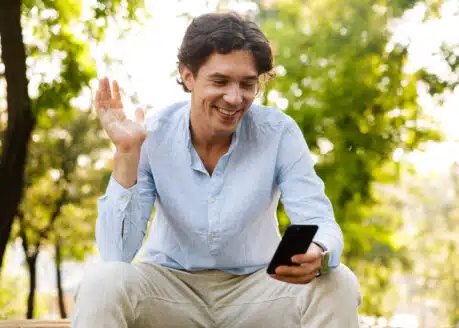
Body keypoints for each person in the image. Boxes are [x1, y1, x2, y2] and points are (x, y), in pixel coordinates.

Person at [71, 12, 361, 328]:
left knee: (337, 281)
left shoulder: (279, 133)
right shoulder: (151, 135)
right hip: (170, 292)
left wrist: (318, 251)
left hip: (258, 293)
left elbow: (320, 222)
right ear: (188, 76)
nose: (235, 98)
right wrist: (127, 154)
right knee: (102, 281)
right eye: (220, 81)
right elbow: (116, 254)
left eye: (247, 84)